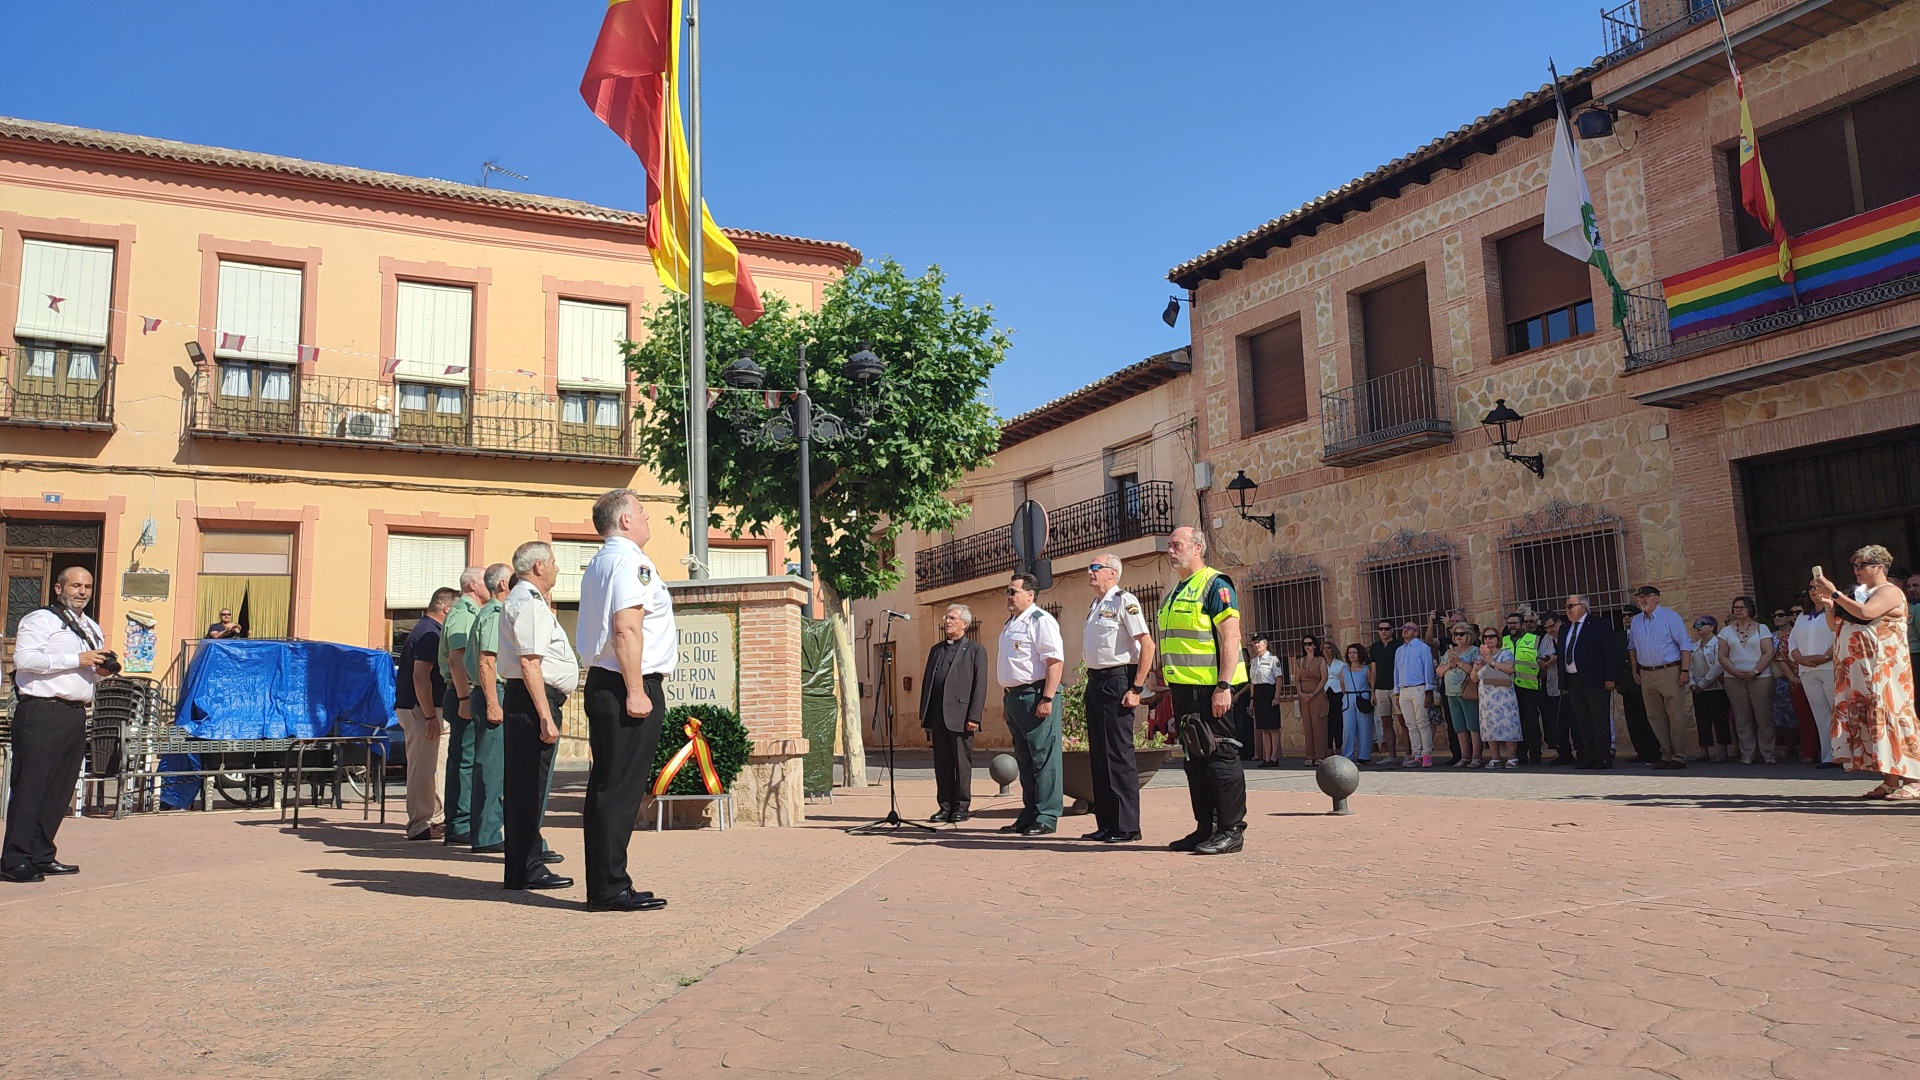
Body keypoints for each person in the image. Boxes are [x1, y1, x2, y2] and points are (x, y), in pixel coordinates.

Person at [576, 488, 673, 912]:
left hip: (607, 680)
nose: (648, 517)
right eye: (642, 511)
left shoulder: (600, 562)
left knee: (607, 786)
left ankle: (608, 882)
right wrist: (636, 690)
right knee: (619, 789)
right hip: (626, 683)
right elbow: (626, 628)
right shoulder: (632, 562)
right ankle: (609, 887)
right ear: (625, 520)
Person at [3, 567, 107, 883]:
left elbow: (87, 671)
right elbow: (25, 660)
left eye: (87, 586)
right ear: (59, 589)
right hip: (41, 711)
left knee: (60, 788)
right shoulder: (40, 620)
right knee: (31, 785)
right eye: (75, 586)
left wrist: (100, 671)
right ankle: (14, 860)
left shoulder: (91, 627)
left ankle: (41, 854)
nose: (82, 592)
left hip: (75, 713)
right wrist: (77, 659)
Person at [1157, 527, 1248, 855]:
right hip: (1184, 690)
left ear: (1197, 548)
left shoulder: (1215, 584)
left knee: (1220, 756)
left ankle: (1231, 830)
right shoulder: (1177, 591)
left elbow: (1231, 637)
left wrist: (1224, 686)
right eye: (1169, 545)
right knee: (1194, 759)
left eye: (1177, 545)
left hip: (1211, 689)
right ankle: (1205, 828)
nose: (1171, 550)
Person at [498, 541, 578, 891]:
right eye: (554, 562)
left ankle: (523, 866)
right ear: (539, 567)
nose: (557, 568)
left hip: (530, 699)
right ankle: (526, 867)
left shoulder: (527, 600)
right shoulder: (528, 602)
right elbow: (530, 663)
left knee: (527, 786)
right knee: (528, 787)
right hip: (533, 701)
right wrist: (545, 716)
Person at [1811, 545, 1920, 800]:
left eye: (1862, 565)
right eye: (1855, 565)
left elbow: (1867, 613)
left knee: (1894, 717)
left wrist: (1835, 593)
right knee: (1874, 721)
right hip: (1861, 670)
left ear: (1879, 567)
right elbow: (1835, 625)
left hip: (1886, 668)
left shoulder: (1889, 591)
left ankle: (1914, 780)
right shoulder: (1860, 593)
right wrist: (1829, 605)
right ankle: (1890, 780)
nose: (1856, 570)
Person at [1079, 554, 1155, 842]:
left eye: (1096, 568)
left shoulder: (1124, 601)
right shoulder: (1095, 605)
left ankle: (1127, 826)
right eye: (1090, 568)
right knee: (1099, 755)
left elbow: (1147, 645)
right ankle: (1107, 823)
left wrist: (1136, 688)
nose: (1090, 572)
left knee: (1118, 755)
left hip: (1117, 681)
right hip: (1096, 682)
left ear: (1112, 573)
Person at [996, 572, 1065, 837]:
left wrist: (1047, 698)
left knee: (1043, 759)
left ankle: (1047, 815)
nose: (1008, 596)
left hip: (1035, 694)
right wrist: (1007, 700)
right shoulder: (1010, 623)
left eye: (1013, 591)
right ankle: (1030, 813)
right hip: (1015, 697)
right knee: (1024, 760)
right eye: (1008, 591)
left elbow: (1054, 661)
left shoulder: (1040, 620)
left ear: (1030, 595)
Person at [395, 587, 454, 840]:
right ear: (446, 608)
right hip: (420, 709)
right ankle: (419, 824)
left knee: (436, 767)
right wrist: (429, 716)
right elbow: (420, 677)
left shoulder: (431, 630)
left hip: (429, 709)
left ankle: (436, 819)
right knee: (422, 767)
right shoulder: (429, 633)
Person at [922, 604, 988, 824]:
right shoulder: (936, 650)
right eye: (947, 618)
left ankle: (961, 806)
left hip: (962, 716)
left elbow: (980, 685)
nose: (947, 622)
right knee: (941, 764)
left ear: (964, 624)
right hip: (938, 715)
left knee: (961, 763)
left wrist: (974, 716)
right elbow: (928, 683)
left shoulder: (975, 650)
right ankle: (945, 806)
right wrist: (925, 715)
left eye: (952, 618)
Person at [466, 563, 512, 852]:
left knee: (494, 765)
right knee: (492, 767)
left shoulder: (490, 613)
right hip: (493, 692)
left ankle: (487, 830)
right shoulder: (494, 615)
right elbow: (487, 661)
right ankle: (487, 834)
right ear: (504, 585)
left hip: (489, 692)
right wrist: (494, 704)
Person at [439, 567, 486, 847]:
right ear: (472, 585)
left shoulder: (472, 612)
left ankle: (463, 822)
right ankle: (459, 824)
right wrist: (464, 699)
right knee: (465, 760)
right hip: (463, 692)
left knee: (467, 758)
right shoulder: (464, 613)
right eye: (484, 580)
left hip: (465, 692)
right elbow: (457, 659)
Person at [1627, 585, 1695, 770]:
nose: (1642, 600)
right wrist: (1635, 670)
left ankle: (1679, 756)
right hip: (1646, 673)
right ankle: (1665, 754)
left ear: (1657, 598)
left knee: (1675, 715)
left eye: (1646, 596)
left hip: (1669, 670)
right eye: (1639, 597)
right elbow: (1632, 647)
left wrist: (1685, 671)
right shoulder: (1636, 621)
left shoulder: (1670, 617)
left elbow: (1685, 644)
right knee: (1655, 716)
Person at [1559, 594, 1623, 769]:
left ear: (1583, 607)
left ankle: (1603, 757)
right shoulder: (1565, 628)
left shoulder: (1598, 625)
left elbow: (1610, 651)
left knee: (1599, 719)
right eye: (1566, 606)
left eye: (1571, 606)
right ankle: (1588, 756)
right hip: (1573, 680)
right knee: (1582, 720)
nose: (1567, 610)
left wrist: (1610, 677)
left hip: (1596, 680)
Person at [1716, 595, 1777, 765]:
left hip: (1761, 677)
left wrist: (1756, 671)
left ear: (1750, 609)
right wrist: (1735, 672)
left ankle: (1768, 753)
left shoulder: (1762, 628)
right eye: (1736, 607)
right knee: (1742, 717)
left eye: (1742, 607)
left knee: (1763, 716)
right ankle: (1747, 754)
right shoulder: (1725, 631)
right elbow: (1722, 655)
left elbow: (1768, 652)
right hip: (1734, 678)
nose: (1738, 610)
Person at [1788, 587, 1839, 769]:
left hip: (1829, 667)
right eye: (1810, 588)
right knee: (1820, 714)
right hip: (1807, 670)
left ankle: (1844, 754)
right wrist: (1798, 658)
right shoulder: (1803, 616)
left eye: (1818, 587)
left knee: (1837, 710)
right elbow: (1792, 641)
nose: (1813, 591)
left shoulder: (1835, 612)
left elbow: (1840, 637)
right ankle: (1828, 756)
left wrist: (1825, 657)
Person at [1475, 627, 1522, 768]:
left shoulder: (1505, 653)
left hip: (1503, 697)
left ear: (1498, 639)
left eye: (1491, 636)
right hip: (1486, 699)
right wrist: (1477, 666)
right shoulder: (1481, 656)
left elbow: (1510, 669)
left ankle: (1512, 757)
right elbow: (1474, 678)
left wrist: (1492, 662)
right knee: (1489, 725)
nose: (1488, 639)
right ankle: (1495, 757)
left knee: (1508, 724)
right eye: (1485, 637)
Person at [1689, 615, 1734, 763]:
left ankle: (1723, 750)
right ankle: (1704, 749)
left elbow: (1718, 665)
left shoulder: (1718, 644)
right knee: (1702, 720)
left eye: (1702, 624)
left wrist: (1703, 683)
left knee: (1720, 719)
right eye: (1696, 624)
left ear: (1712, 627)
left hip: (1716, 688)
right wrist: (1692, 683)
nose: (1698, 627)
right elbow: (1689, 666)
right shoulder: (1694, 646)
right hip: (1698, 689)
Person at [1503, 612, 1546, 765]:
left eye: (1514, 623)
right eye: (1509, 623)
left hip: (1529, 687)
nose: (1512, 626)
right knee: (1516, 723)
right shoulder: (1504, 641)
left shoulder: (1534, 640)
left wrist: (1537, 678)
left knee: (1531, 722)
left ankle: (1535, 754)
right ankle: (1520, 755)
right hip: (1509, 688)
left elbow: (1542, 665)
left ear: (1522, 625)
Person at [1437, 622, 1481, 768]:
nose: (1458, 637)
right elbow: (1439, 671)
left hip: (1467, 692)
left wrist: (1459, 662)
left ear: (1469, 635)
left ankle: (1476, 756)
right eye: (1456, 634)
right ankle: (1464, 756)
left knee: (1472, 725)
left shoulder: (1474, 651)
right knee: (1459, 726)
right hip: (1451, 693)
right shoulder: (1450, 651)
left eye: (1462, 634)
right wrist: (1449, 664)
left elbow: (1474, 670)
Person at [1392, 623, 1437, 768]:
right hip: (1404, 689)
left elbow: (1428, 668)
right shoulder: (1399, 650)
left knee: (1422, 722)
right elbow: (1396, 671)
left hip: (1419, 687)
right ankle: (1416, 754)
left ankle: (1426, 754)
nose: (1405, 630)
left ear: (1416, 633)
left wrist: (1428, 690)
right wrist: (1397, 693)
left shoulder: (1422, 647)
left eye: (1409, 628)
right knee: (1410, 724)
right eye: (1404, 627)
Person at [1369, 620, 1402, 766]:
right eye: (1381, 629)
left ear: (1392, 630)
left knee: (1402, 721)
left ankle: (1409, 754)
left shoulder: (1399, 645)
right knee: (1386, 722)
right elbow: (1373, 670)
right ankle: (1391, 755)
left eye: (1387, 629)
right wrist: (1372, 691)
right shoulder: (1374, 648)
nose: (1383, 631)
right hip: (1380, 688)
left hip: (1396, 687)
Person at [1539, 614, 1570, 764]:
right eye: (1546, 628)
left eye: (1552, 626)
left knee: (1577, 723)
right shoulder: (1545, 639)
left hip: (1571, 687)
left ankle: (1584, 753)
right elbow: (1540, 658)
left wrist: (1558, 658)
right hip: (1553, 686)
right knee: (1558, 723)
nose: (1550, 630)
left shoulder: (1569, 633)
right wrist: (1543, 663)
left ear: (1559, 622)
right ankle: (1564, 754)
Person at [1294, 634, 1329, 766]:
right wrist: (1300, 692)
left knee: (1318, 725)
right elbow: (1297, 679)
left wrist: (1314, 693)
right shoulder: (1299, 662)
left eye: (1309, 644)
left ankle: (1320, 755)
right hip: (1304, 696)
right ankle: (1310, 755)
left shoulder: (1320, 660)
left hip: (1317, 695)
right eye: (1305, 644)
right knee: (1307, 726)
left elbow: (1324, 678)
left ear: (1314, 645)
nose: (1307, 646)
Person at [1336, 643, 1374, 763]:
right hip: (1349, 698)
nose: (1352, 655)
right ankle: (1348, 755)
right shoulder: (1344, 670)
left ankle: (1364, 756)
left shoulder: (1366, 669)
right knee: (1348, 728)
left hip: (1363, 697)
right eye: (1350, 653)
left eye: (1354, 652)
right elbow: (1343, 686)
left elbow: (1371, 685)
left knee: (1364, 728)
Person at [1248, 638, 1281, 768]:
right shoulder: (1254, 661)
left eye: (1259, 642)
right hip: (1258, 693)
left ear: (1265, 644)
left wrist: (1276, 697)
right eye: (1255, 643)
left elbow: (1278, 679)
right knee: (1263, 728)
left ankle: (1274, 757)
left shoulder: (1273, 659)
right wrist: (1252, 698)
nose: (1256, 645)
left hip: (1269, 692)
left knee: (1273, 727)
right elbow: (1252, 682)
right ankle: (1266, 757)